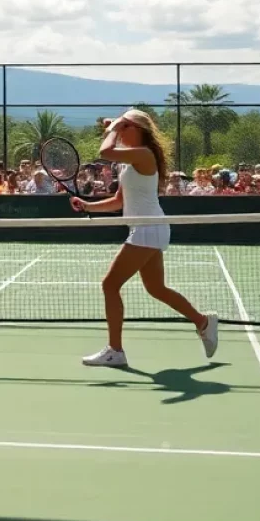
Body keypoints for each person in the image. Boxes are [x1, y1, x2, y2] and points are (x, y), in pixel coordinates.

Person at [70, 110, 217, 369]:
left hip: (149, 229)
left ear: (137, 129)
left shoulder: (143, 154)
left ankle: (115, 351)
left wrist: (113, 127)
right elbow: (119, 202)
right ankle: (203, 321)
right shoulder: (129, 160)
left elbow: (105, 151)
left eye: (126, 126)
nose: (121, 130)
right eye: (121, 126)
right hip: (150, 228)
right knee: (156, 288)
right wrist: (88, 206)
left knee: (109, 285)